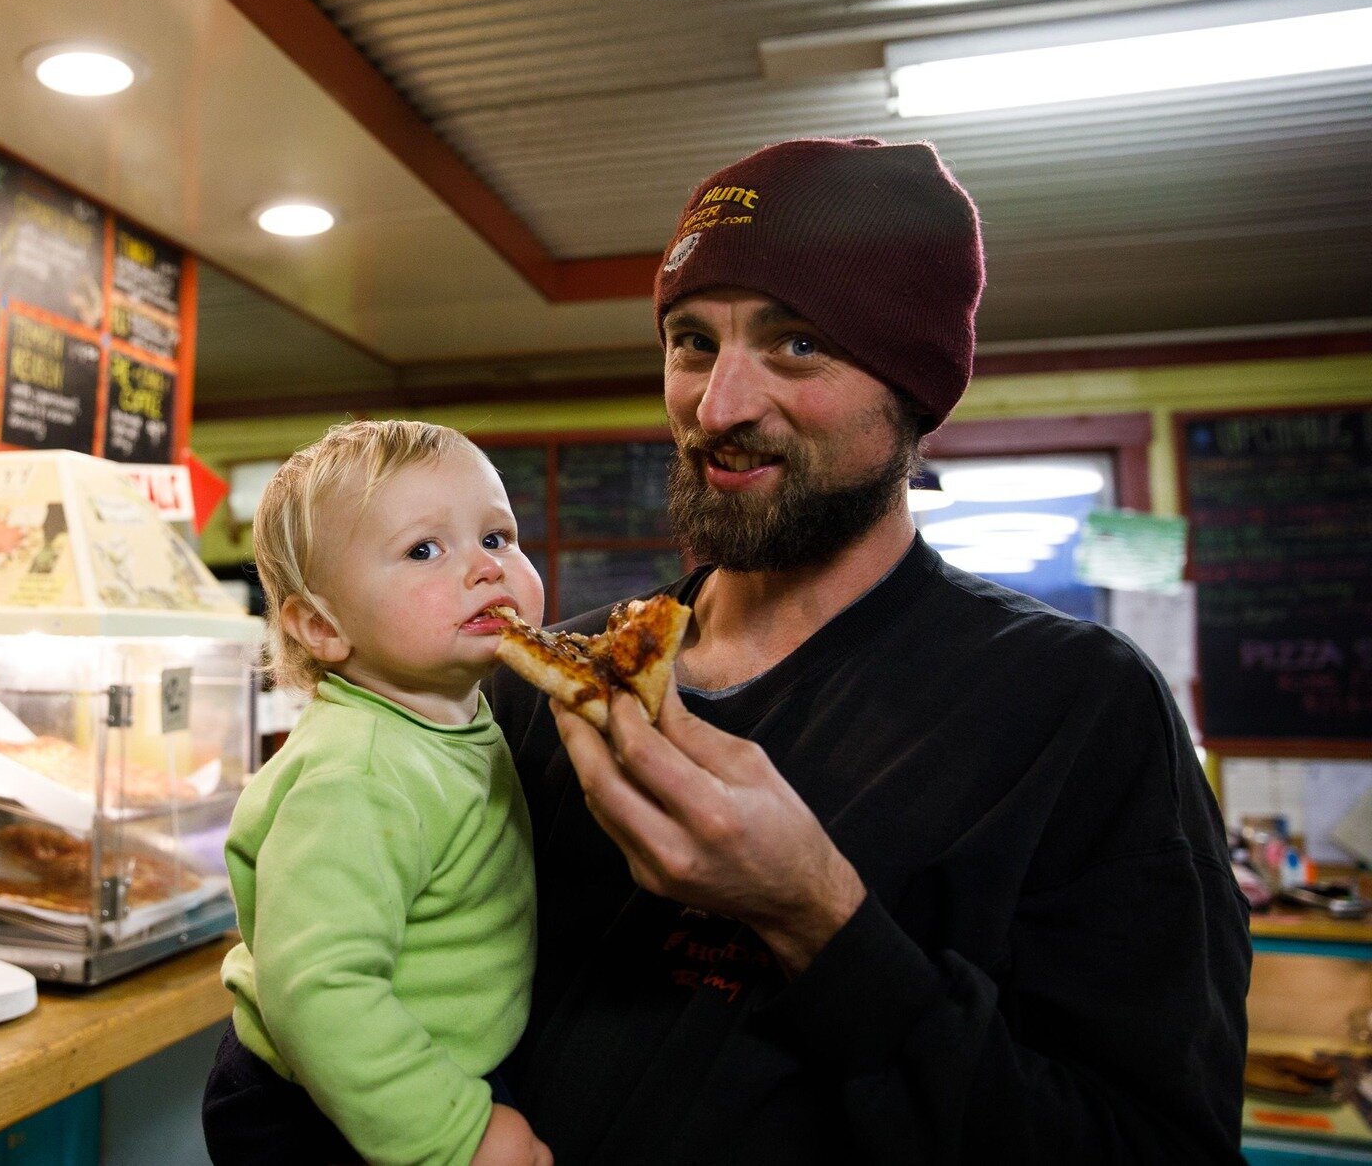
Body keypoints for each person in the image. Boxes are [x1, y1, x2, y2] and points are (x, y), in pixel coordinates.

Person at [488, 138, 1251, 1163]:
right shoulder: (545, 682)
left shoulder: (1074, 711)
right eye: (690, 342)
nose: (717, 408)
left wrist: (815, 916)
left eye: (796, 344)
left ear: (910, 389)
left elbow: (1156, 1147)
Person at [202, 421, 552, 1166]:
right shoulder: (359, 775)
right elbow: (318, 989)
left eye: (497, 536)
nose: (486, 568)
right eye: (425, 550)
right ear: (322, 626)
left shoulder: (449, 716)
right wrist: (459, 1132)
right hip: (331, 1102)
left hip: (405, 1066)